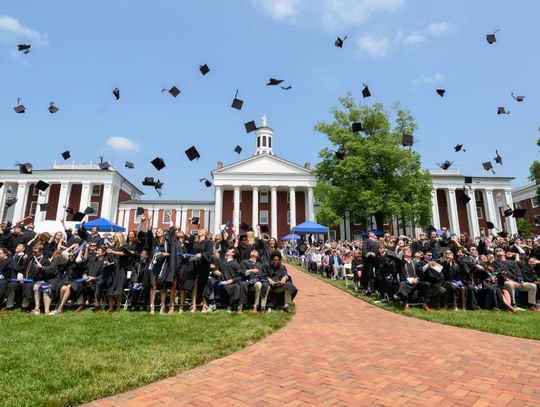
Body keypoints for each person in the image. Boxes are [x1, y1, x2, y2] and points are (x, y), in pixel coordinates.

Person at [396, 247, 431, 312]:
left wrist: (417, 278)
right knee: (402, 284)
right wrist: (403, 249)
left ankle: (425, 304)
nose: (409, 251)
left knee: (427, 284)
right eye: (407, 251)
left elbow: (420, 271)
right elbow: (398, 257)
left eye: (410, 250)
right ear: (403, 253)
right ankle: (406, 305)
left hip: (415, 281)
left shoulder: (414, 261)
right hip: (406, 281)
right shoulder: (401, 261)